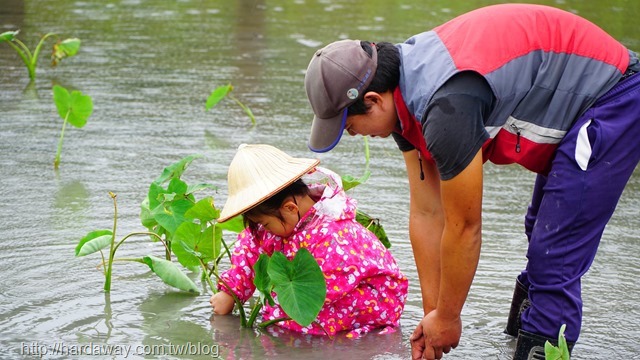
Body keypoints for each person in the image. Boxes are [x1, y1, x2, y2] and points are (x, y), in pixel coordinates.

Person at [302, 3, 640, 360]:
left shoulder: (446, 105)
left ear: (373, 100)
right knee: (541, 231)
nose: (354, 136)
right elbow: (428, 214)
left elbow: (465, 227)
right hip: (573, 98)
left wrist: (449, 317)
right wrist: (435, 319)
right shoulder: (401, 104)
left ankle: (540, 345)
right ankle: (521, 340)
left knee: (556, 251)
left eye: (350, 127)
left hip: (612, 95)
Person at [209, 143, 408, 338]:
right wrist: (230, 292)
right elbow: (251, 246)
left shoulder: (335, 234)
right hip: (324, 292)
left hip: (369, 298)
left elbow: (317, 292)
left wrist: (278, 305)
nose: (263, 230)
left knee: (289, 324)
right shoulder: (280, 220)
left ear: (290, 209)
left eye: (266, 224)